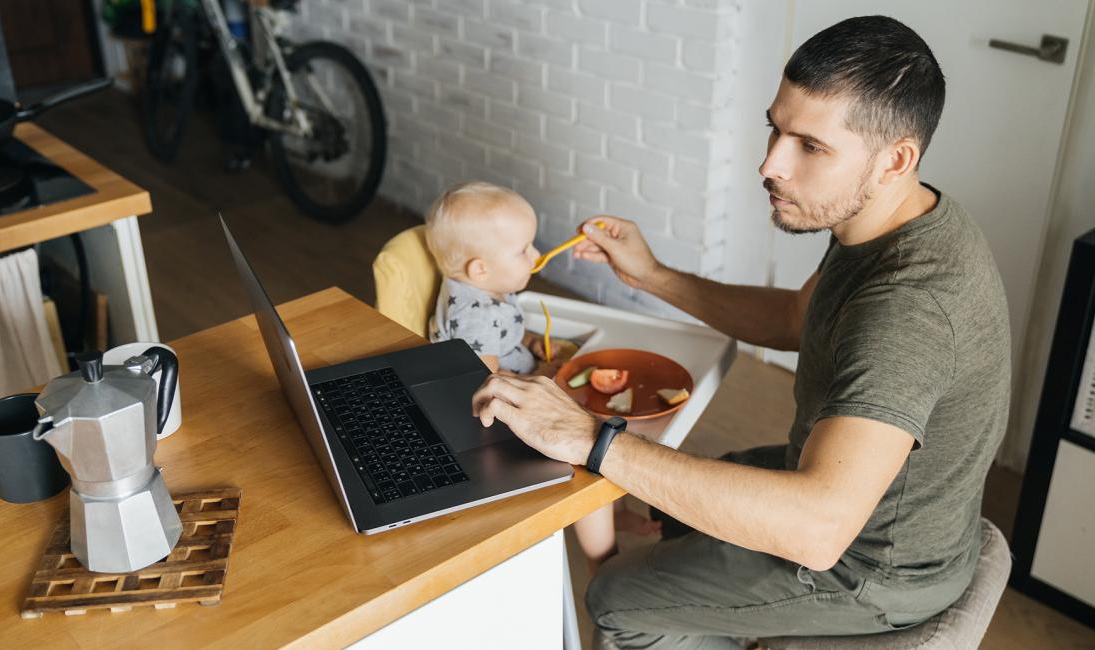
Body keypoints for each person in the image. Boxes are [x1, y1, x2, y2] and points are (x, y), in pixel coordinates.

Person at [470, 15, 1010, 649]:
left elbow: (818, 530)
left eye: (810, 146)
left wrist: (589, 436)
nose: (771, 164)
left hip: (868, 571)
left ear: (895, 159)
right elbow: (792, 321)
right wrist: (652, 276)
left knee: (615, 597)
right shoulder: (892, 220)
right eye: (775, 129)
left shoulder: (908, 310)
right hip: (879, 518)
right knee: (668, 507)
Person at [425, 181, 660, 570]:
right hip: (496, 421)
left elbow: (502, 335)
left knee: (608, 430)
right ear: (479, 268)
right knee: (595, 458)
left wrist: (530, 341)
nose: (536, 256)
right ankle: (603, 563)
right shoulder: (475, 315)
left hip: (519, 382)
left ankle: (615, 516)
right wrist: (546, 373)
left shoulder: (487, 284)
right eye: (523, 250)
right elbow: (486, 380)